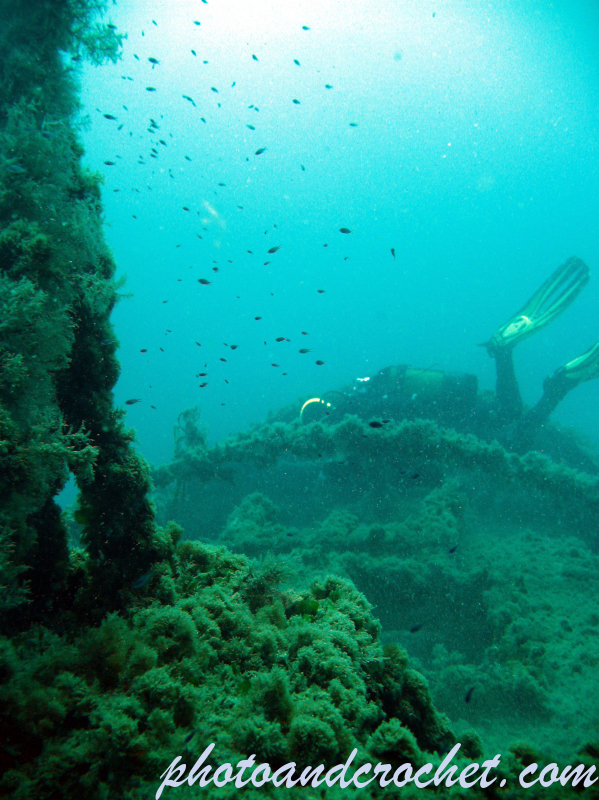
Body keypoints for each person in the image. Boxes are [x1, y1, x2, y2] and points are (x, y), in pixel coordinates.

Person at [301, 257, 598, 457]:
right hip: (445, 402)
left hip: (446, 412)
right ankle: (523, 364)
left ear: (319, 424)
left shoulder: (348, 423)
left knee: (512, 431)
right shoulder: (356, 395)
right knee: (508, 416)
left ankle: (537, 373)